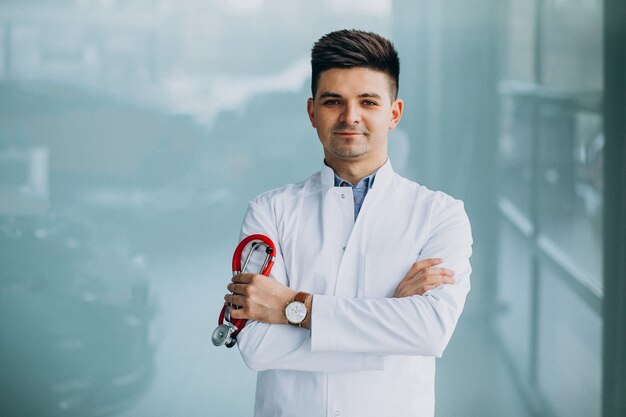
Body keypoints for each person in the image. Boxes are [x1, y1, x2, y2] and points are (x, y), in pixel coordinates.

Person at [223, 29, 472, 417]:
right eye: (333, 101)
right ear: (312, 113)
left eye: (368, 101)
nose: (350, 116)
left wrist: (294, 308)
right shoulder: (269, 211)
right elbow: (256, 347)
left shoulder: (440, 215)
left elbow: (430, 330)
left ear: (394, 113)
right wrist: (390, 321)